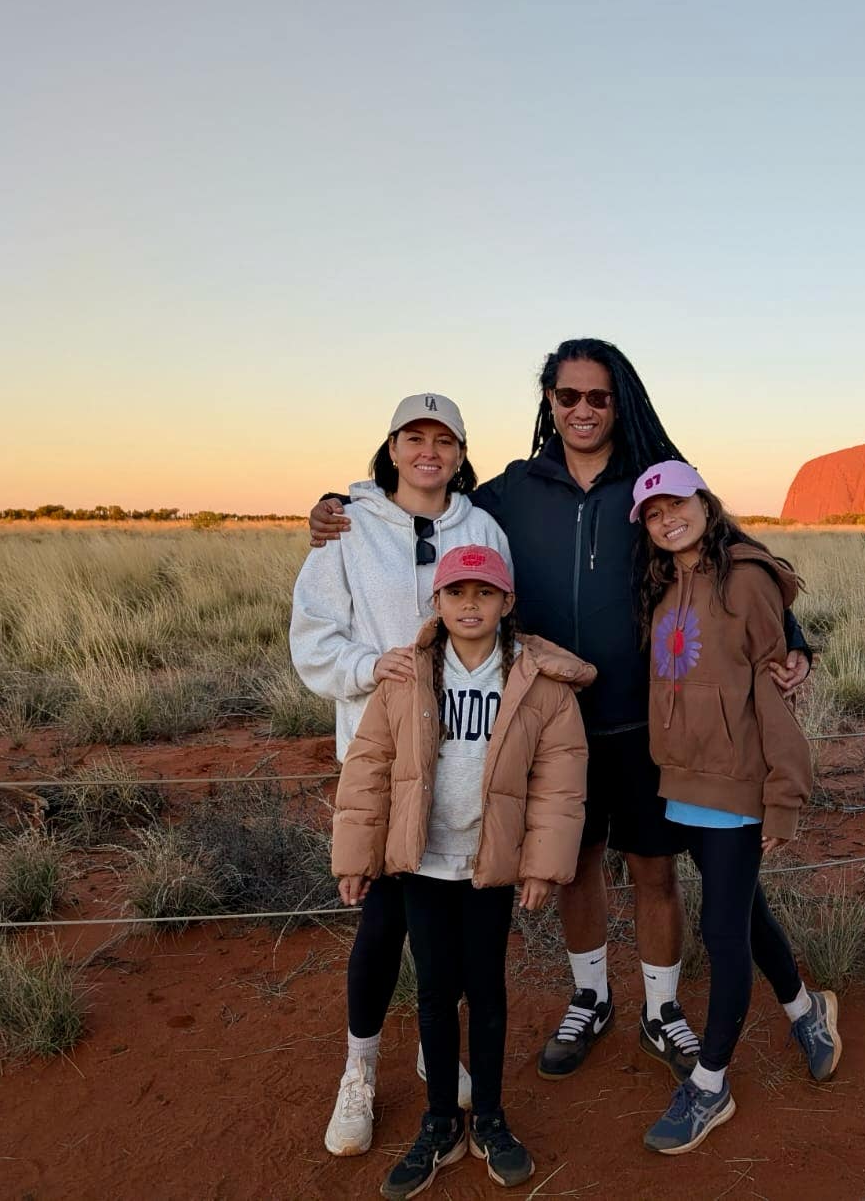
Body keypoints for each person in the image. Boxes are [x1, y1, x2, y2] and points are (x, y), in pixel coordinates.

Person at [308, 339, 811, 1086]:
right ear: (548, 403)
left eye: (598, 397)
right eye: (568, 396)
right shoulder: (513, 491)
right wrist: (348, 507)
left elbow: (725, 551)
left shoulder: (650, 484)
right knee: (574, 867)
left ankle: (662, 1008)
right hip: (552, 725)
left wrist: (791, 638)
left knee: (652, 870)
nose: (582, 409)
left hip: (644, 722)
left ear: (620, 403)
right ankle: (591, 996)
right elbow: (430, 509)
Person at [332, 543, 592, 1197]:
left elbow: (561, 781)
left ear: (507, 603)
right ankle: (441, 1121)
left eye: (484, 593)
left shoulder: (538, 683)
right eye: (456, 593)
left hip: (489, 866)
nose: (469, 604)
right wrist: (358, 855)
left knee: (489, 991)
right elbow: (367, 769)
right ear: (438, 603)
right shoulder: (407, 676)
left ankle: (492, 1120)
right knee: (433, 994)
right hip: (423, 865)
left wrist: (541, 863)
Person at [290, 393, 511, 1156]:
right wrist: (365, 666)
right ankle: (358, 1072)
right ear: (390, 447)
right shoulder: (347, 525)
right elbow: (315, 639)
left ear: (459, 451)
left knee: (444, 920)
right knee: (384, 921)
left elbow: (503, 617)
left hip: (462, 761)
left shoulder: (480, 527)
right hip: (379, 754)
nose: (429, 452)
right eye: (414, 438)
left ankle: (436, 1050)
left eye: (443, 440)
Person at [630, 460, 842, 1156]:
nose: (668, 518)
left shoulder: (745, 580)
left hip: (737, 788)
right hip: (681, 786)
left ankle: (711, 1083)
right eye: (653, 513)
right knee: (744, 913)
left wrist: (783, 797)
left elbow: (773, 694)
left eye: (677, 503)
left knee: (722, 933)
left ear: (704, 501)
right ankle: (808, 1012)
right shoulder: (661, 586)